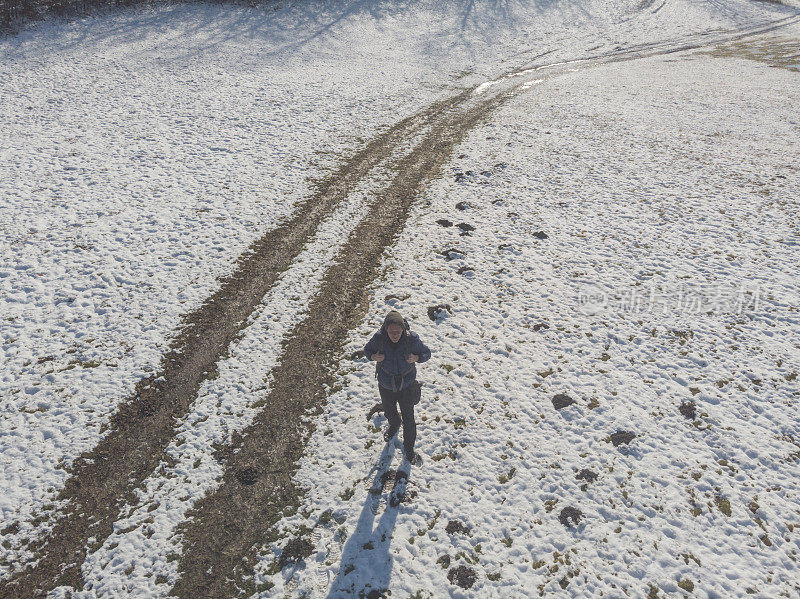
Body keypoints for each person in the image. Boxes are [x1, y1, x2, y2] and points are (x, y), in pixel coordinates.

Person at [363, 310, 431, 465]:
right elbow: (367, 351)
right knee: (389, 411)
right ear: (386, 329)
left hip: (406, 386)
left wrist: (417, 358)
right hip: (386, 385)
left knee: (409, 420)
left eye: (398, 331)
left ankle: (409, 450)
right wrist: (373, 357)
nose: (395, 335)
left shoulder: (411, 339)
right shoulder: (379, 339)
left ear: (403, 330)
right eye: (391, 332)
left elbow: (427, 353)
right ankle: (394, 424)